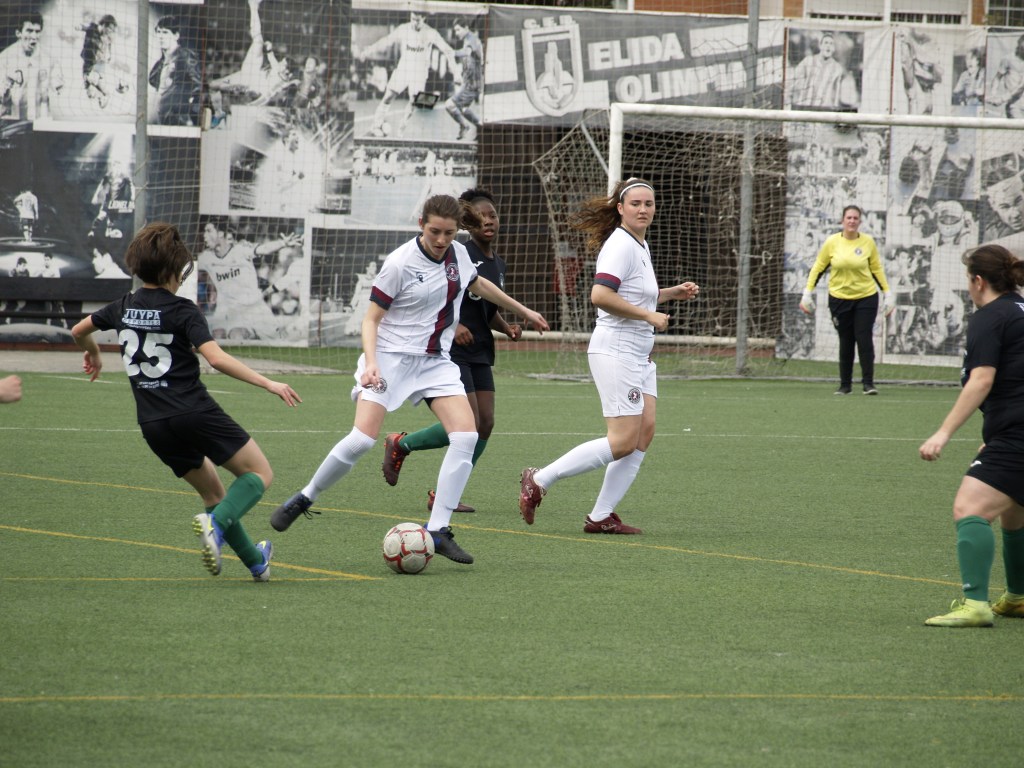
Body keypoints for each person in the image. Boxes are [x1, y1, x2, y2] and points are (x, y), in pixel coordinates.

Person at [271, 194, 549, 565]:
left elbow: (479, 285)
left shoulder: (459, 255)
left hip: (435, 362)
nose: (441, 240)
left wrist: (523, 309)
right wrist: (371, 364)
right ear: (421, 224)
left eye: (449, 233)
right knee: (361, 440)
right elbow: (370, 319)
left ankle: (439, 529)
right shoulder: (399, 263)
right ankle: (305, 497)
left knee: (466, 435)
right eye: (435, 232)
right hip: (390, 359)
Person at [70, 222, 301, 581]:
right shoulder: (183, 309)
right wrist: (268, 382)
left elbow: (78, 331)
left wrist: (93, 353)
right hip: (194, 412)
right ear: (173, 270)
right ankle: (216, 526)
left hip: (153, 425)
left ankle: (257, 563)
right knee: (258, 474)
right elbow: (217, 359)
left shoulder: (122, 307)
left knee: (214, 494)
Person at [518, 178, 700, 534]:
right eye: (635, 204)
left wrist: (670, 294)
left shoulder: (639, 244)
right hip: (617, 349)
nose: (643, 209)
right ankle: (538, 480)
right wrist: (649, 315)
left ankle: (601, 516)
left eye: (648, 203)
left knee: (644, 433)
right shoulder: (620, 245)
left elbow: (633, 293)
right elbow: (600, 295)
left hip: (639, 354)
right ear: (620, 208)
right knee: (622, 440)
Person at [382, 188, 521, 513]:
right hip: (452, 349)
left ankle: (447, 490)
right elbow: (441, 294)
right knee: (466, 423)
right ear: (468, 222)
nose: (488, 221)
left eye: (493, 215)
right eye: (481, 216)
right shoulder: (457, 253)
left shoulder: (497, 263)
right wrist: (454, 326)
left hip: (480, 348)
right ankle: (402, 445)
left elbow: (485, 306)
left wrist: (506, 327)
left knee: (485, 423)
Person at [919, 243, 1024, 627]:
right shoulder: (1019, 310)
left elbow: (982, 380)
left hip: (1018, 434)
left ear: (978, 281)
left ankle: (976, 604)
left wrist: (943, 433)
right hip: (1013, 432)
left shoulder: (990, 317)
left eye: (968, 279)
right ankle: (1017, 597)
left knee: (970, 508)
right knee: (1013, 509)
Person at [800, 205, 895, 395]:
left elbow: (876, 269)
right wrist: (807, 293)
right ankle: (845, 385)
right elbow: (818, 268)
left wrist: (888, 294)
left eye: (855, 218)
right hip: (839, 299)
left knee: (864, 338)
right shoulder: (832, 242)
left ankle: (868, 384)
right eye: (849, 218)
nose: (852, 221)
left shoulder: (868, 242)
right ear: (842, 220)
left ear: (860, 221)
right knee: (846, 340)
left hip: (865, 298)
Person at [357, 11, 460, 137]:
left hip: (419, 74)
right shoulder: (403, 29)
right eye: (412, 19)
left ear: (424, 18)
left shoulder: (431, 33)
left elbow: (448, 50)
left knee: (413, 101)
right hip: (403, 69)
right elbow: (386, 41)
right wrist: (368, 50)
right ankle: (376, 125)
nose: (414, 23)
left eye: (417, 20)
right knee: (388, 96)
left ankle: (402, 126)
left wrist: (456, 72)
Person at [198, 220, 301, 340]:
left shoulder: (241, 250)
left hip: (255, 307)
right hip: (232, 311)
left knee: (281, 340)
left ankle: (288, 330)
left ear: (221, 233)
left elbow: (264, 249)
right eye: (204, 231)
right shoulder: (206, 258)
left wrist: (282, 243)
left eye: (209, 231)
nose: (204, 235)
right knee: (229, 336)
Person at [208, 0, 295, 124]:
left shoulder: (280, 82)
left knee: (213, 85)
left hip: (248, 82)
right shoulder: (278, 68)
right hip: (252, 70)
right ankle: (253, 6)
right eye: (282, 61)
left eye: (283, 63)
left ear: (286, 70)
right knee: (258, 40)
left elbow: (266, 97)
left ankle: (219, 113)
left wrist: (251, 106)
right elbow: (271, 56)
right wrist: (269, 48)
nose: (280, 63)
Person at [0, 12, 63, 121]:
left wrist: (56, 91)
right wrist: (5, 90)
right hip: (12, 122)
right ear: (18, 33)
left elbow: (59, 92)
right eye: (29, 31)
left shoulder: (50, 59)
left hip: (41, 123)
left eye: (37, 32)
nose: (33, 36)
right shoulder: (5, 58)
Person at [148, 16, 201, 126]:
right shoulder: (160, 63)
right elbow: (155, 83)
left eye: (165, 32)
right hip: (162, 118)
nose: (161, 36)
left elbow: (197, 85)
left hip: (179, 120)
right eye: (159, 32)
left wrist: (189, 110)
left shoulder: (185, 56)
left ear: (176, 35)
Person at [789, 31, 858, 110]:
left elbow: (841, 98)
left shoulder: (838, 69)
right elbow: (792, 81)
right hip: (805, 108)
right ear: (820, 46)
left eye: (831, 44)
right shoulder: (808, 61)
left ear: (834, 48)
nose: (828, 46)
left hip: (825, 110)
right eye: (826, 43)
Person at [445, 18, 482, 142]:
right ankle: (481, 128)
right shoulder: (467, 39)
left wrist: (452, 52)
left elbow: (467, 52)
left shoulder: (472, 39)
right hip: (470, 83)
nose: (456, 33)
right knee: (463, 109)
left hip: (472, 84)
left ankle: (464, 126)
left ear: (466, 27)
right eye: (455, 30)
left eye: (458, 30)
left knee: (449, 105)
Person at [80, 14, 126, 109]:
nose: (110, 31)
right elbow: (85, 27)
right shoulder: (93, 28)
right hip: (88, 60)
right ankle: (103, 95)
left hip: (99, 62)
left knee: (92, 80)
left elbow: (110, 45)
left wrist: (110, 55)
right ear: (104, 25)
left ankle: (104, 94)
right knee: (89, 91)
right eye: (110, 28)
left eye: (112, 30)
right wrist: (79, 27)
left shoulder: (108, 37)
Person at [987, 34, 1024, 119]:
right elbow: (997, 78)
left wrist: (1002, 99)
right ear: (1019, 45)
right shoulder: (1007, 59)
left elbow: (1021, 86)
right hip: (1015, 106)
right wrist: (993, 93)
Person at [982, 173, 1024, 241]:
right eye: (1005, 207)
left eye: (1018, 201)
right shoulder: (992, 235)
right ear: (993, 206)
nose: (1015, 214)